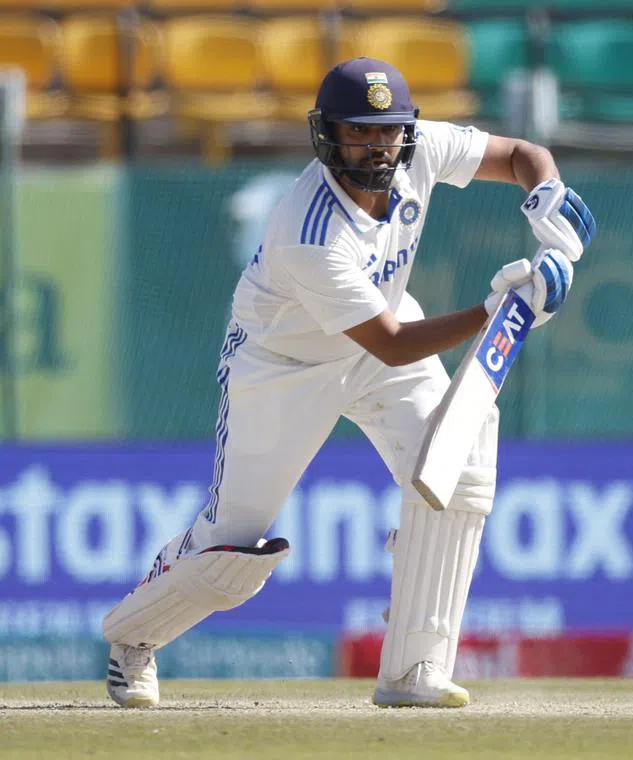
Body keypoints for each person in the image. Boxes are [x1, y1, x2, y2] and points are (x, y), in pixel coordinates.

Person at [100, 58, 595, 709]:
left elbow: (522, 153)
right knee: (230, 558)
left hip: (378, 332)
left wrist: (548, 197)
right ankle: (131, 640)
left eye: (388, 132)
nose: (378, 146)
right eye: (360, 132)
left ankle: (415, 668)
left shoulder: (419, 151)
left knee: (461, 465)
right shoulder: (310, 231)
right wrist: (497, 311)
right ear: (328, 134)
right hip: (284, 370)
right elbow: (389, 343)